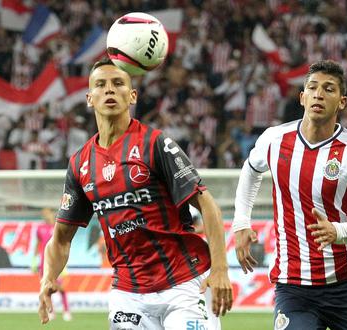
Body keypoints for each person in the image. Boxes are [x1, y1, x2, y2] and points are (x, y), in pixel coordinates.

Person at [38, 59, 233, 329]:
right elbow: (60, 239)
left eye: (118, 84)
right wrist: (49, 277)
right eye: (100, 85)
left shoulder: (156, 143)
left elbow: (208, 206)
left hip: (184, 282)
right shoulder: (80, 163)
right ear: (89, 98)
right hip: (128, 293)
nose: (109, 90)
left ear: (132, 96)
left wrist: (221, 269)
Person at [233, 60, 347, 329]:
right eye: (313, 88)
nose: (319, 94)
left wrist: (337, 231)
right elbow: (250, 170)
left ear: (342, 101)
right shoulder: (274, 139)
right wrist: (241, 222)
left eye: (329, 89)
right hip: (294, 287)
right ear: (302, 97)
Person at [34, 208, 72, 321]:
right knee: (46, 288)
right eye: (43, 213)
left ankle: (66, 311)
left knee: (61, 288)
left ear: (51, 213)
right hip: (43, 263)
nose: (45, 215)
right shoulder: (40, 228)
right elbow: (38, 244)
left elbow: (64, 243)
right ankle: (51, 312)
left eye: (47, 213)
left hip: (57, 261)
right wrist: (33, 260)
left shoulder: (57, 227)